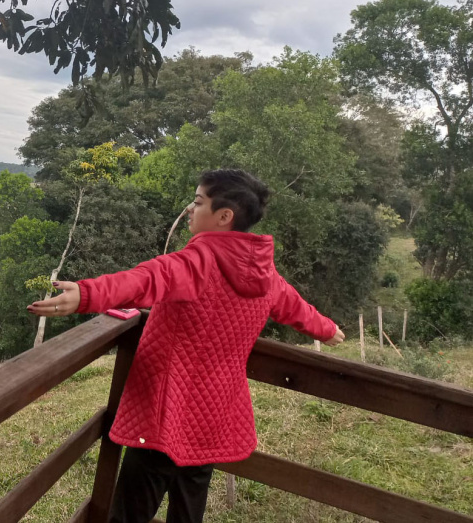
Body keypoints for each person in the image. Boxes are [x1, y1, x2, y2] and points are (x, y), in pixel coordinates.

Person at [27, 169, 344, 523]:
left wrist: (87, 293)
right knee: (189, 509)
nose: (190, 210)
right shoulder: (266, 275)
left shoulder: (198, 262)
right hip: (214, 415)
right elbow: (297, 309)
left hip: (164, 412)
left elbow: (145, 279)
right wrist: (329, 330)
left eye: (198, 202)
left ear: (224, 217)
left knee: (130, 511)